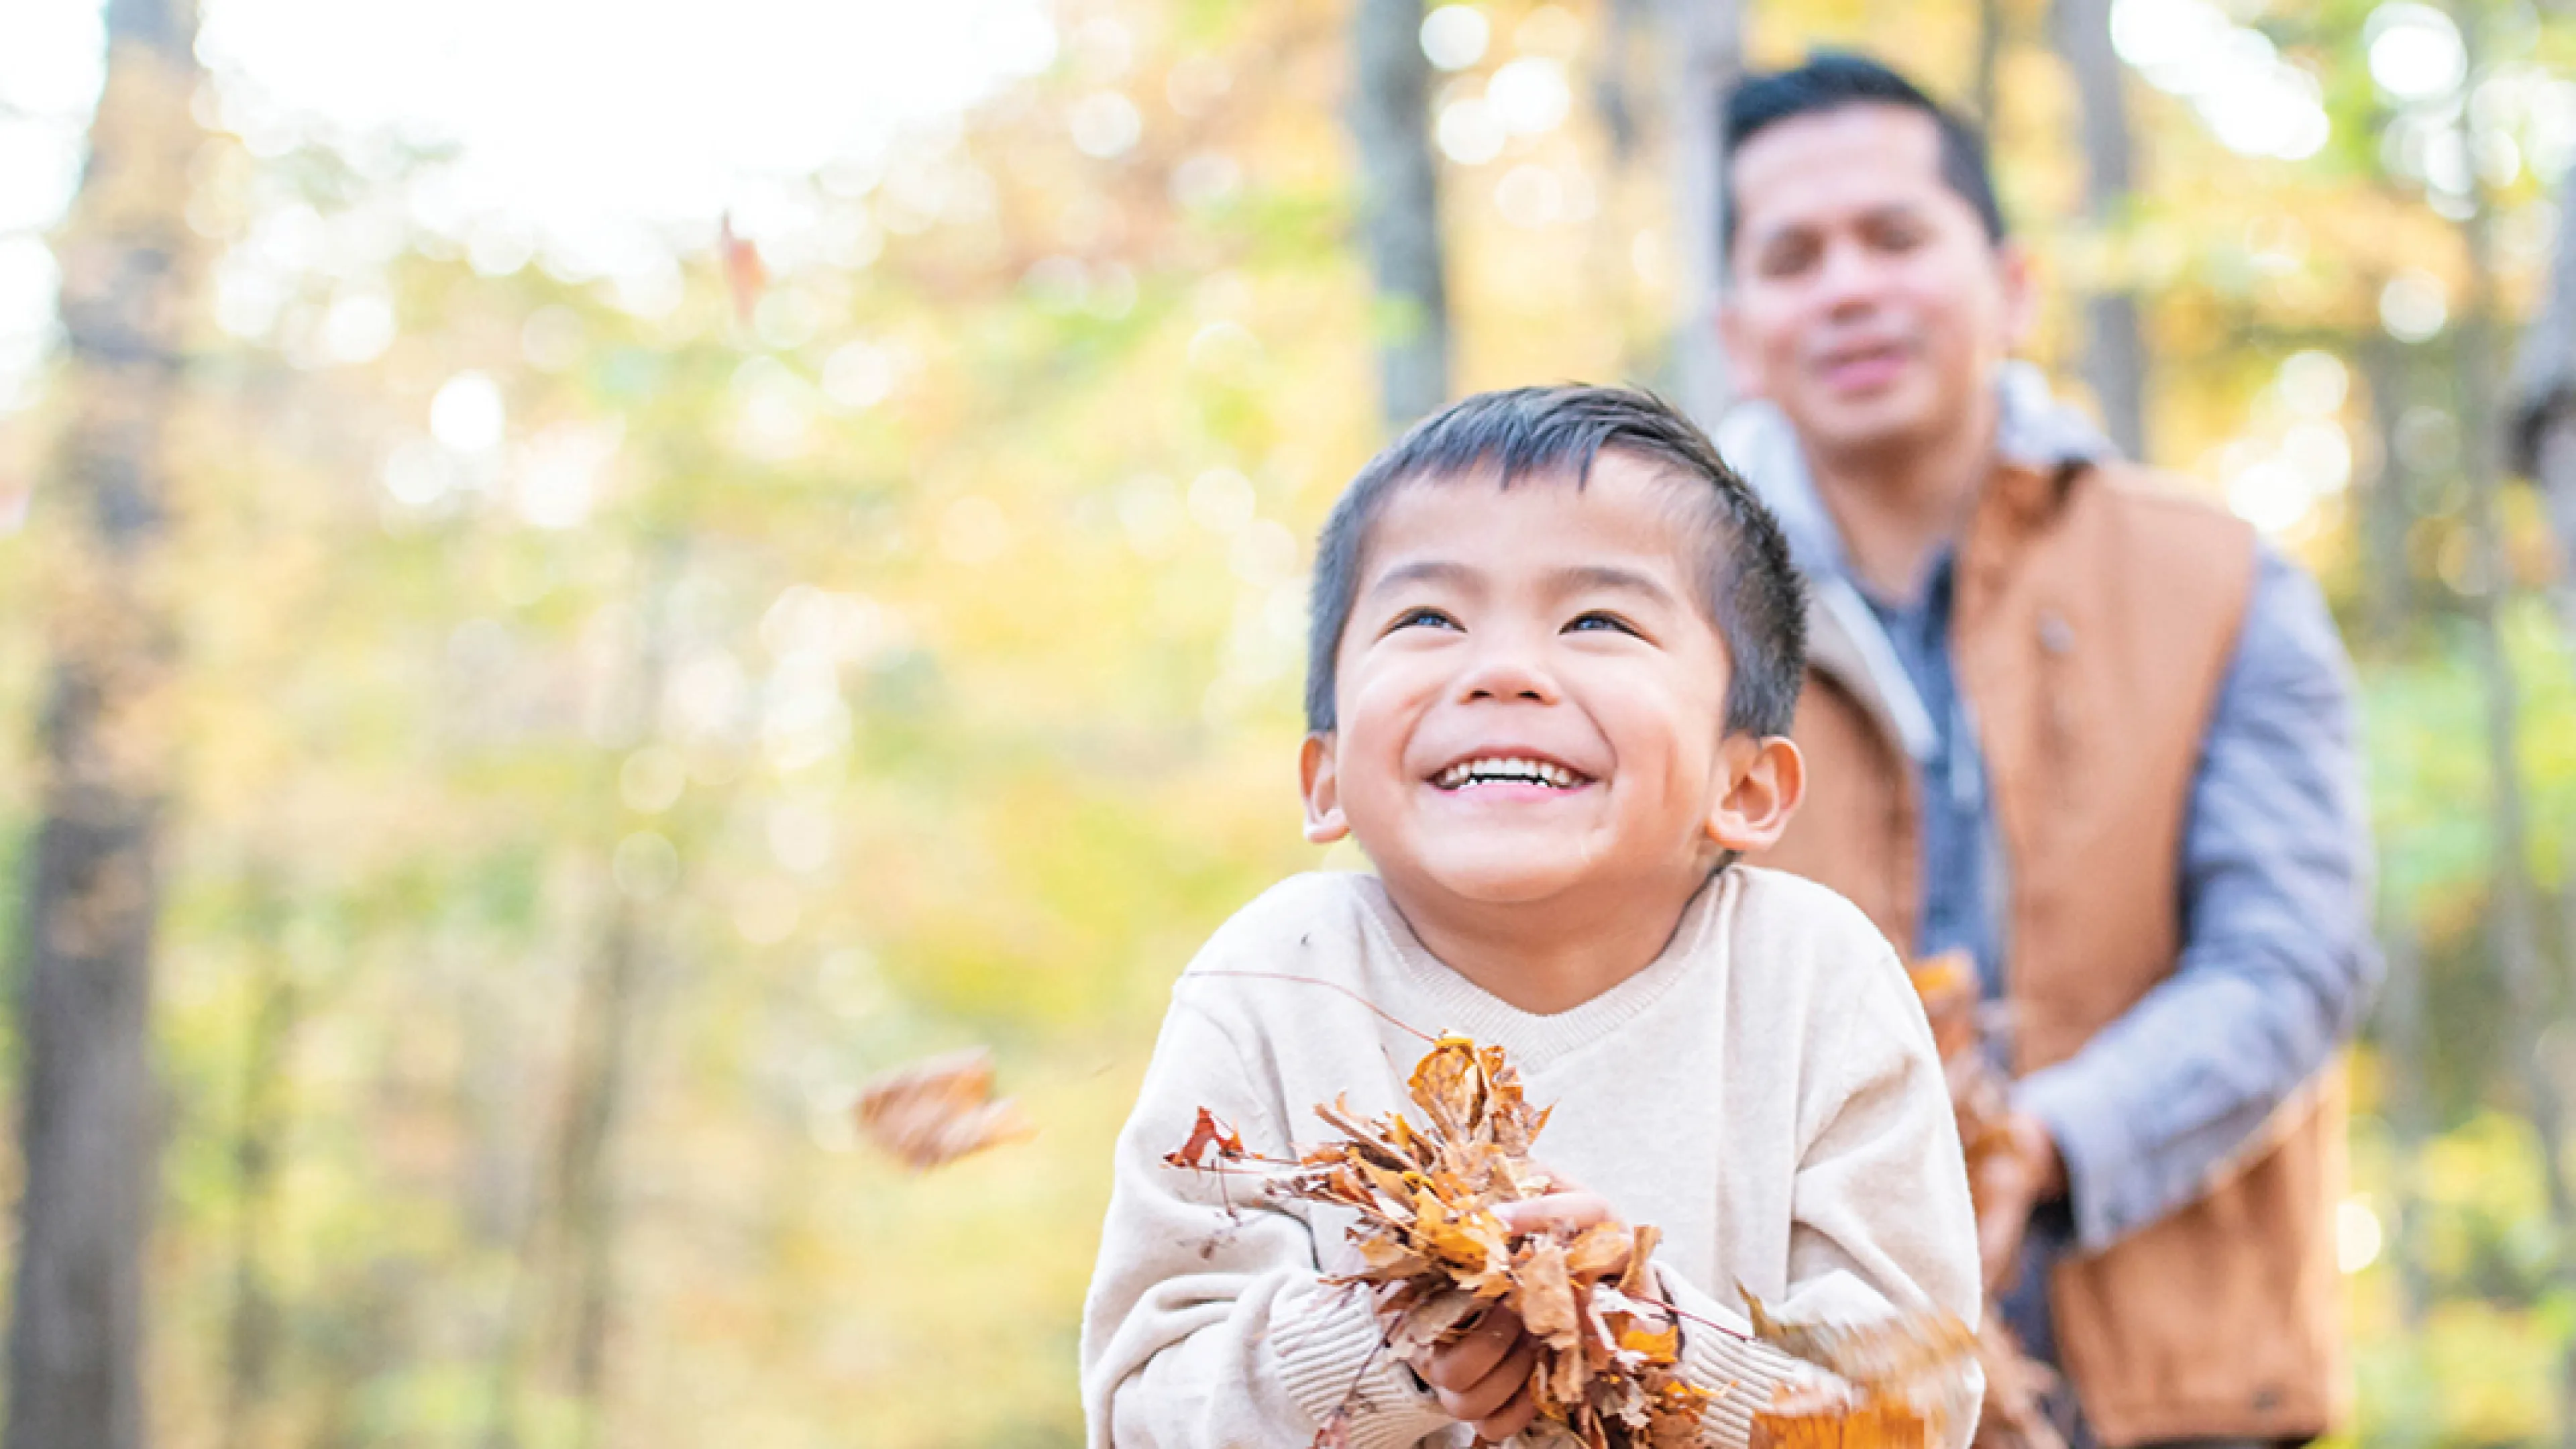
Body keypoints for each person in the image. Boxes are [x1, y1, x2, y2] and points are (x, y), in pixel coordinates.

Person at [1079, 386, 1982, 1448]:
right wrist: (1387, 1337)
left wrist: (1650, 1338)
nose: (1502, 670)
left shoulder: (1814, 979)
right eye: (1428, 619)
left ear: (1745, 787)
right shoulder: (1274, 978)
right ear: (1324, 777)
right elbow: (1145, 1403)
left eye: (1598, 620)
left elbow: (1914, 1402)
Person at [1711, 54, 2377, 1449]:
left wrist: (2045, 1146)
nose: (1846, 287)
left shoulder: (2219, 580)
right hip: (1787, 1398)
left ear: (2008, 284)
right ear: (1738, 329)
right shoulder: (1654, 619)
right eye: (1793, 255)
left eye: (1895, 237)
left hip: (2181, 1391)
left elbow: (2293, 954)